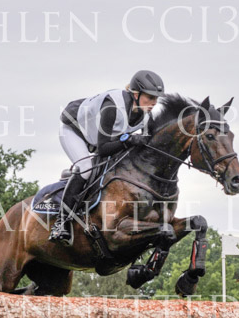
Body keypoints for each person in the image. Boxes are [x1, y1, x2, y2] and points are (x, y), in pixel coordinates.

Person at [49, 70, 166, 245]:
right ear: (136, 94)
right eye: (150, 97)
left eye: (156, 98)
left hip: (101, 137)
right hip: (74, 131)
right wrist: (129, 140)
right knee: (86, 169)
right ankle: (61, 222)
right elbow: (103, 149)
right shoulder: (112, 108)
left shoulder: (146, 116)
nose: (154, 103)